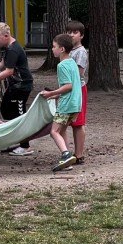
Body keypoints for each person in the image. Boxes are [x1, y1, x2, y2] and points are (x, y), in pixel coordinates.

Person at [0, 21, 34, 156]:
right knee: (6, 111)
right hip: (13, 86)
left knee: (19, 115)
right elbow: (3, 63)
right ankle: (16, 140)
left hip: (22, 87)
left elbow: (9, 71)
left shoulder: (13, 49)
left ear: (6, 36)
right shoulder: (7, 48)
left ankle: (25, 146)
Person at [40, 32, 85, 170]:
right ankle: (67, 160)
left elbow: (68, 86)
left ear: (62, 49)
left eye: (54, 46)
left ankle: (66, 155)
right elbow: (74, 85)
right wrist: (56, 96)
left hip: (66, 106)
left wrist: (51, 93)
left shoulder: (62, 66)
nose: (52, 49)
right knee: (62, 131)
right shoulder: (72, 62)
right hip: (75, 105)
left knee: (54, 132)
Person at [67, 20, 91, 164]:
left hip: (78, 89)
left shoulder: (80, 52)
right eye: (69, 32)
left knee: (79, 122)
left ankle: (79, 154)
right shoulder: (69, 51)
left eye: (75, 33)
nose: (71, 35)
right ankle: (69, 153)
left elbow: (79, 73)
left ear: (81, 35)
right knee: (71, 121)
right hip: (70, 89)